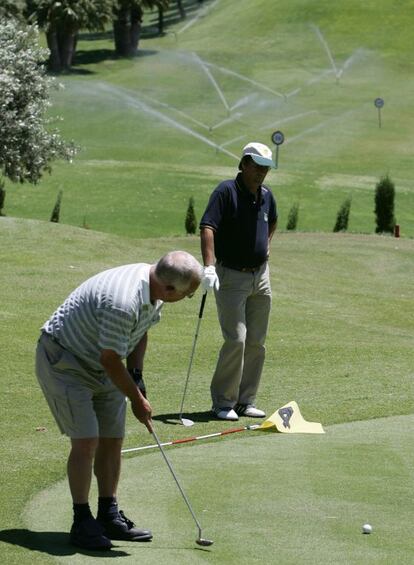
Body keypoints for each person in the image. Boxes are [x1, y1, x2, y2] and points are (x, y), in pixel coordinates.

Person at [35, 251, 202, 551]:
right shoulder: (122, 302)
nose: (185, 299)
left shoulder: (154, 289)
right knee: (86, 440)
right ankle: (82, 520)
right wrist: (136, 399)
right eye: (187, 295)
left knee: (113, 438)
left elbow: (140, 332)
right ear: (168, 288)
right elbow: (111, 359)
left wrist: (136, 376)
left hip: (100, 361)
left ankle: (108, 514)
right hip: (65, 360)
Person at [200, 142, 277, 421]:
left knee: (257, 342)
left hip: (261, 276)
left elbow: (272, 223)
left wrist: (265, 247)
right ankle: (223, 402)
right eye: (256, 166)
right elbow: (208, 227)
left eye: (265, 168)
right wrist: (209, 266)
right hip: (231, 275)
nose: (261, 173)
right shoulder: (226, 191)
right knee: (236, 339)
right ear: (243, 164)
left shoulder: (266, 196)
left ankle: (246, 401)